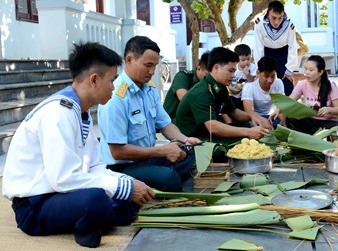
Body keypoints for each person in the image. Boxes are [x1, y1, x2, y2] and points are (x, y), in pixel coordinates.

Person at [2, 42, 155, 248]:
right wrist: (121, 186)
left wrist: (127, 183)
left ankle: (95, 219)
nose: (114, 86)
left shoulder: (80, 112)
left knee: (129, 195)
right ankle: (87, 229)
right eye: (112, 80)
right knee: (98, 200)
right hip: (35, 206)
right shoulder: (58, 113)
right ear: (94, 80)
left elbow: (94, 167)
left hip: (60, 195)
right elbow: (63, 178)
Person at [98, 36, 201, 192]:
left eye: (155, 66)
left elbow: (165, 125)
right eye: (148, 65)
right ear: (130, 59)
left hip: (148, 159)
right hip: (122, 167)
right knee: (168, 177)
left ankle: (165, 185)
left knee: (192, 156)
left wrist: (185, 140)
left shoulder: (149, 89)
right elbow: (117, 152)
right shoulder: (116, 97)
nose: (152, 72)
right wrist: (163, 151)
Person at [174, 47, 270, 143]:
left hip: (207, 133)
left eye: (234, 71)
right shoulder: (201, 92)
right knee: (244, 141)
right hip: (193, 138)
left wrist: (254, 116)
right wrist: (248, 132)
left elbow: (233, 112)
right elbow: (213, 127)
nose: (233, 76)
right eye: (230, 70)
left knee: (247, 125)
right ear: (216, 68)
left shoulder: (220, 86)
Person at [286, 55, 338, 134]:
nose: (306, 72)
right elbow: (289, 101)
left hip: (329, 122)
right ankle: (318, 135)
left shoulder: (331, 86)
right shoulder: (302, 84)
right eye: (305, 69)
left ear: (320, 72)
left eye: (311, 70)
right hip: (310, 121)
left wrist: (329, 109)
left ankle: (319, 135)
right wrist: (278, 109)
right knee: (291, 117)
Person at [253, 0, 299, 96]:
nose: (276, 22)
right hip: (267, 52)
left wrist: (290, 69)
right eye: (273, 18)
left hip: (283, 53)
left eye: (280, 18)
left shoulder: (289, 25)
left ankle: (287, 108)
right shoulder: (259, 23)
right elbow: (258, 46)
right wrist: (259, 67)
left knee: (286, 81)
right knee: (266, 79)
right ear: (268, 14)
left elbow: (292, 48)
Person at [163, 51, 210, 119]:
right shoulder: (183, 76)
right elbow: (183, 97)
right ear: (199, 68)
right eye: (207, 75)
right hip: (171, 123)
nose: (209, 79)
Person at [242, 56, 286, 128]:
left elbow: (282, 105)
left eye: (273, 76)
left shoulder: (278, 82)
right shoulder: (249, 87)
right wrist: (262, 120)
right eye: (266, 76)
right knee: (250, 122)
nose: (270, 80)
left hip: (272, 117)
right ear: (258, 73)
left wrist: (283, 123)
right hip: (256, 117)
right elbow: (249, 112)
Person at [228, 44, 257, 110]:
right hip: (233, 94)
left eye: (248, 59)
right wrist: (230, 88)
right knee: (232, 108)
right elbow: (228, 78)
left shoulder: (252, 67)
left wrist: (247, 74)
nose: (246, 62)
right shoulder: (234, 67)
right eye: (243, 60)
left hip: (246, 96)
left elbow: (252, 82)